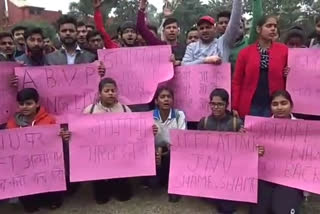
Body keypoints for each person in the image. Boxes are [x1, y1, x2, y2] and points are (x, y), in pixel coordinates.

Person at [198, 88, 264, 214]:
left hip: (230, 171)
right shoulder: (204, 122)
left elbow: (246, 150)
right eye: (213, 104)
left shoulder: (237, 123)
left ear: (227, 105)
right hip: (211, 168)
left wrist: (244, 138)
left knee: (227, 208)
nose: (216, 107)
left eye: (220, 104)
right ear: (209, 104)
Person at [6, 88, 70, 213]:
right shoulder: (11, 124)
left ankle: (53, 198)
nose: (25, 107)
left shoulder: (49, 120)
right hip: (24, 168)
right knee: (29, 205)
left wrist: (62, 137)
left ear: (37, 104)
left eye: (29, 103)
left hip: (46, 166)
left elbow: (56, 142)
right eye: (21, 104)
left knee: (53, 199)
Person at [250, 90, 303, 214]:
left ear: (291, 105)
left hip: (292, 178)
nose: (279, 107)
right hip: (266, 176)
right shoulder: (259, 127)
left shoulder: (305, 128)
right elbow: (248, 156)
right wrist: (253, 151)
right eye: (275, 104)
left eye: (284, 103)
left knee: (281, 210)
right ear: (270, 107)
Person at [82, 78, 133, 204]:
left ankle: (119, 182)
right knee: (101, 199)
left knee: (124, 196)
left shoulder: (125, 109)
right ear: (99, 94)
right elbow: (81, 132)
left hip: (120, 155)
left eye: (113, 90)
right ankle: (102, 185)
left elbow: (135, 129)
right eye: (107, 91)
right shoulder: (90, 110)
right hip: (99, 156)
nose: (110, 93)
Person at [232, 15, 288, 119]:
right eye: (269, 26)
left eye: (275, 26)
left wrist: (288, 73)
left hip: (275, 105)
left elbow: (291, 77)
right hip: (251, 104)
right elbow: (237, 81)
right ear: (258, 29)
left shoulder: (284, 51)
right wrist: (234, 106)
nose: (273, 29)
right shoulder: (245, 53)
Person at [150, 86, 186, 203]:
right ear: (156, 101)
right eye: (162, 97)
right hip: (154, 152)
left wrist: (166, 150)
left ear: (173, 100)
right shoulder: (149, 116)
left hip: (173, 152)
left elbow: (182, 138)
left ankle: (174, 186)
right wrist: (150, 135)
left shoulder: (179, 115)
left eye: (169, 97)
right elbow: (143, 141)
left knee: (173, 154)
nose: (166, 99)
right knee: (153, 184)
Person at [182, 0, 242, 65]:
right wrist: (205, 60)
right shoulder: (192, 47)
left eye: (208, 27)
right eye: (202, 28)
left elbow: (235, 21)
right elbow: (185, 65)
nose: (205, 30)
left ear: (215, 29)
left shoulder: (223, 42)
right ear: (198, 31)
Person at [229, 0, 263, 73]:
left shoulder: (249, 43)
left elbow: (258, 21)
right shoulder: (220, 44)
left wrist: (256, 2)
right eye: (234, 27)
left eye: (240, 27)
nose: (237, 30)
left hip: (246, 83)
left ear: (244, 29)